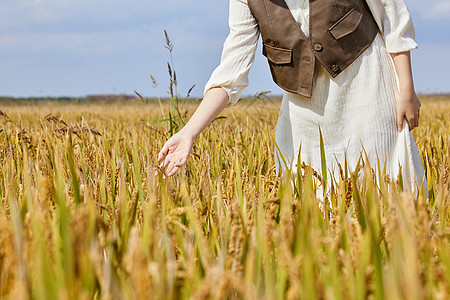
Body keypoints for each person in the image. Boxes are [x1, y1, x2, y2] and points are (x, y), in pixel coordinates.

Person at [157, 0, 427, 194]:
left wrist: (406, 88)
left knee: (386, 187)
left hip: (368, 87)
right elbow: (231, 73)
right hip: (305, 112)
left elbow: (391, 15)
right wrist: (189, 132)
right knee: (314, 200)